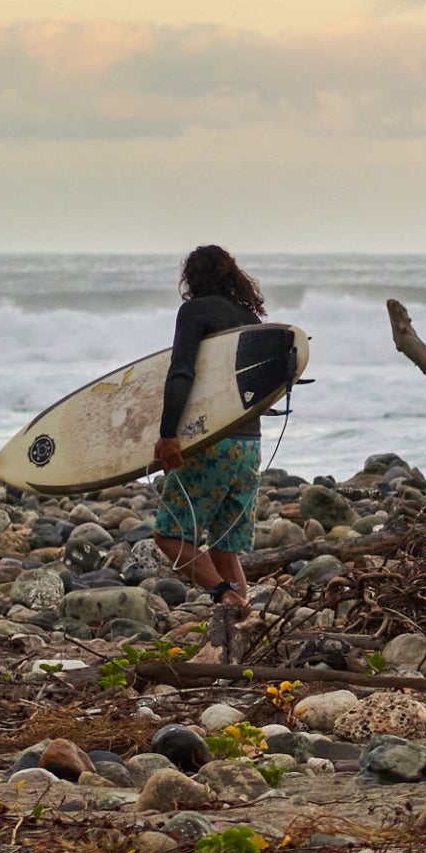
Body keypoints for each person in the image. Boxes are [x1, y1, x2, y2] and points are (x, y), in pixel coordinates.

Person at [152, 245, 266, 612]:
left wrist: (168, 433)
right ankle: (243, 623)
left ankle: (227, 597)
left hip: (211, 440)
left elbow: (182, 371)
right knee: (224, 546)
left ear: (192, 277)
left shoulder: (195, 311)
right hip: (250, 444)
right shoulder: (252, 319)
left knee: (169, 537)